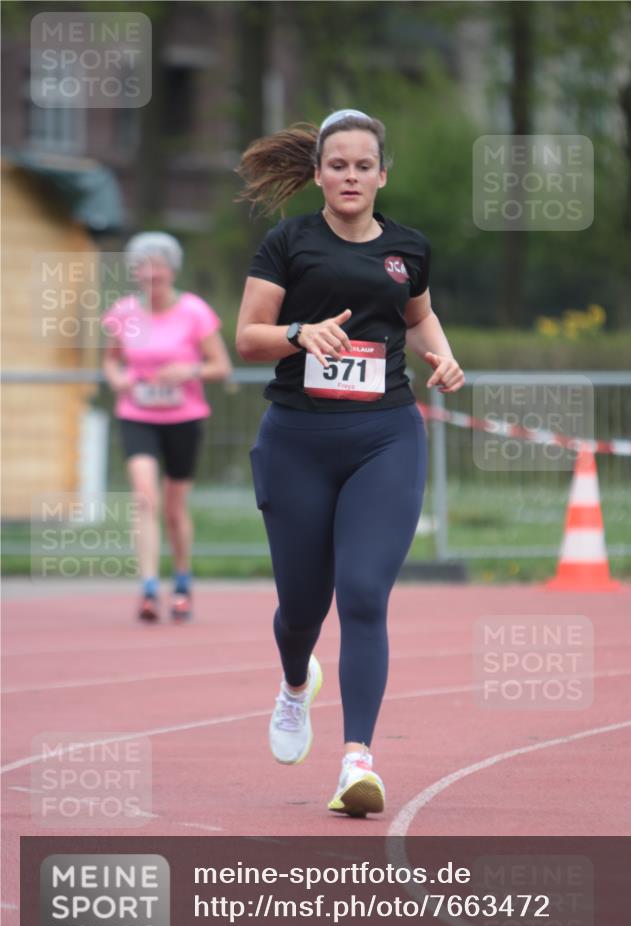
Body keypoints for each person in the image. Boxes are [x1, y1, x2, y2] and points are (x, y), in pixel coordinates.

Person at [235, 109, 464, 817]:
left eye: (363, 165)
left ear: (381, 175)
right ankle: (294, 683)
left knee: (363, 594)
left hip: (383, 436)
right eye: (338, 165)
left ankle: (356, 760)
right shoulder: (287, 242)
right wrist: (301, 334)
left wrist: (443, 352)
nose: (350, 176)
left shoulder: (407, 248)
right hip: (298, 439)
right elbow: (246, 339)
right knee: (302, 607)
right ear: (318, 175)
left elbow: (416, 313)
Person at [102, 232, 232, 622]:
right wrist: (117, 379)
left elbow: (221, 366)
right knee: (144, 496)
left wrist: (189, 369)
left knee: (174, 507)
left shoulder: (194, 311)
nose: (151, 273)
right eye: (143, 266)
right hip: (137, 413)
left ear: (172, 270)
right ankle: (147, 588)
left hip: (184, 416)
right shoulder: (123, 312)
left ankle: (181, 580)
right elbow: (110, 360)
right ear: (134, 272)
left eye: (158, 265)